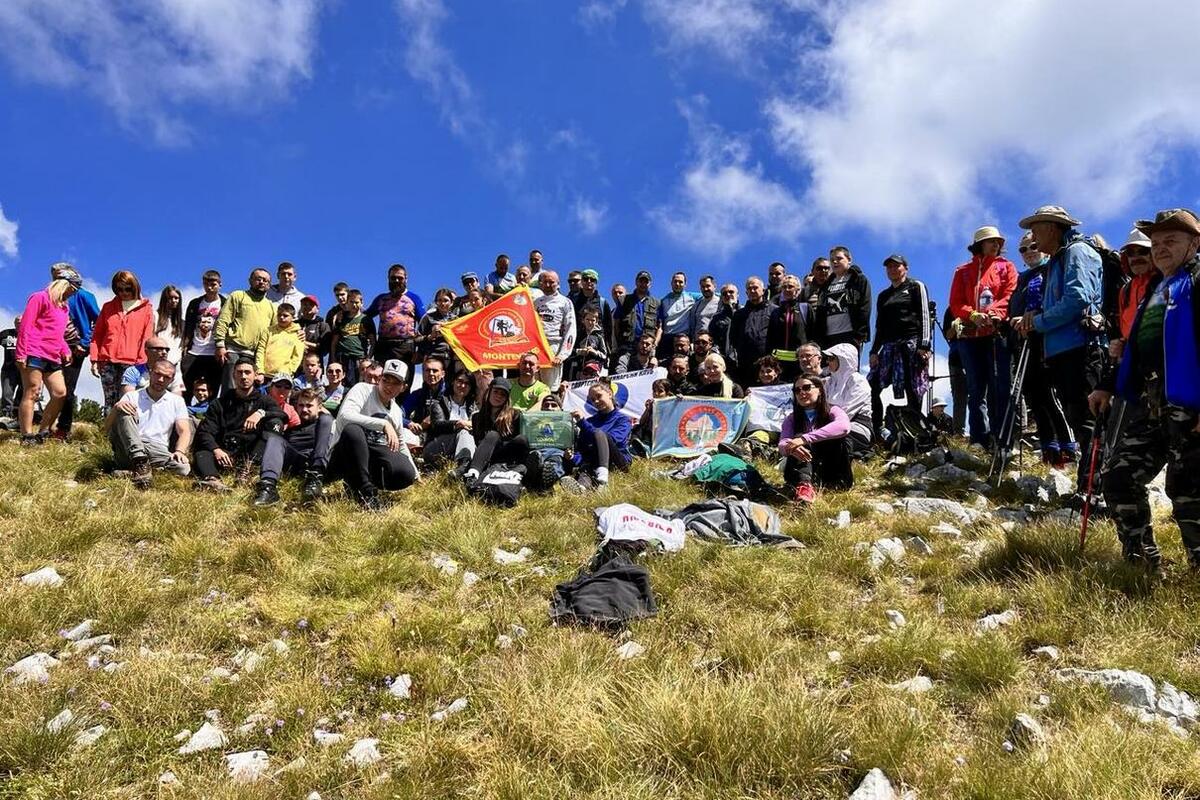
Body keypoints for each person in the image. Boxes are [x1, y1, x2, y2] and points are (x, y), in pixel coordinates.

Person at [1093, 208, 1200, 569]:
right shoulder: (1157, 288)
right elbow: (1137, 345)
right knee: (1119, 477)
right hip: (1151, 403)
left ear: (1194, 244)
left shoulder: (1197, 280)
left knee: (1189, 490)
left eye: (1171, 240)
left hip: (1191, 405)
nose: (1160, 248)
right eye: (1156, 243)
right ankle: (1141, 564)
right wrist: (1106, 385)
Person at [1015, 205, 1107, 494]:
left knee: (1088, 421)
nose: (1032, 237)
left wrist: (1039, 322)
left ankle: (1093, 491)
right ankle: (1089, 488)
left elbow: (1077, 299)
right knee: (1079, 419)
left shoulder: (1077, 252)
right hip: (1064, 350)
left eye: (1036, 229)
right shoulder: (1059, 258)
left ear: (1053, 228)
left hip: (1081, 348)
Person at [949, 226, 1018, 447]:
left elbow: (1010, 294)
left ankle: (1003, 439)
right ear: (979, 245)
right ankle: (979, 439)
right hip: (970, 337)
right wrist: (972, 314)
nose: (996, 244)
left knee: (1000, 387)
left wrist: (994, 313)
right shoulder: (962, 271)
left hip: (997, 334)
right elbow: (955, 302)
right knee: (975, 389)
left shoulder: (1006, 267)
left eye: (998, 241)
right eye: (991, 241)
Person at [1009, 232, 1074, 464]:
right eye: (1023, 249)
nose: (1029, 252)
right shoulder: (1022, 279)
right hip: (1025, 341)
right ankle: (1049, 448)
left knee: (1050, 394)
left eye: (1033, 246)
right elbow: (1015, 307)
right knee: (1035, 396)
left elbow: (1055, 301)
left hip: (1046, 339)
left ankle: (1068, 446)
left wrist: (1034, 316)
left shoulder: (1052, 269)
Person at [327, 359, 418, 509]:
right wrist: (383, 424)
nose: (388, 386)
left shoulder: (396, 411)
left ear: (403, 387)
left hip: (371, 457)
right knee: (353, 430)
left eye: (395, 383)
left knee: (406, 473)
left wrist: (416, 474)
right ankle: (366, 493)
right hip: (343, 456)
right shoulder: (362, 389)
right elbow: (344, 416)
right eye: (385, 380)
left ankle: (355, 483)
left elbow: (401, 443)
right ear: (380, 378)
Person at [193, 358, 286, 491]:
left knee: (275, 423)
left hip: (251, 453)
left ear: (255, 375)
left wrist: (261, 413)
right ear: (234, 375)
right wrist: (216, 450)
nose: (243, 376)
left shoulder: (264, 401)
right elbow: (206, 431)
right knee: (202, 451)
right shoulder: (220, 403)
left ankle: (247, 471)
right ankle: (213, 480)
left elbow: (283, 416)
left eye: (247, 372)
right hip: (224, 453)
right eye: (240, 372)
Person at [868, 254, 932, 438]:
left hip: (912, 344)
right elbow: (879, 325)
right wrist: (874, 351)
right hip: (888, 346)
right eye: (889, 267)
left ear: (905, 268)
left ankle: (915, 433)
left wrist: (924, 345)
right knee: (872, 386)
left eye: (896, 266)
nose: (892, 270)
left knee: (913, 389)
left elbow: (925, 315)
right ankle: (877, 429)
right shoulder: (883, 296)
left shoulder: (916, 286)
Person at [16, 270, 81, 444]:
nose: (73, 294)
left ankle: (43, 431)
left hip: (53, 355)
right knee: (32, 391)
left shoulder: (64, 307)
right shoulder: (39, 298)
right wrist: (21, 353)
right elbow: (26, 326)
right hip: (34, 350)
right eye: (73, 289)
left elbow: (58, 333)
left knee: (60, 393)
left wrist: (65, 349)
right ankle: (27, 435)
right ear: (64, 284)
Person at [105, 358, 192, 488]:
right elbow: (106, 429)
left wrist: (180, 451)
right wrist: (116, 408)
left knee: (183, 468)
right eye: (158, 374)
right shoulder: (132, 396)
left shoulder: (177, 401)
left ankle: (133, 472)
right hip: (130, 446)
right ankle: (140, 461)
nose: (161, 380)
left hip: (157, 449)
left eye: (166, 377)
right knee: (124, 409)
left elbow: (184, 430)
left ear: (172, 380)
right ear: (150, 373)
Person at [779, 374, 854, 504]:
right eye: (797, 390)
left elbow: (844, 427)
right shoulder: (791, 419)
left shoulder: (833, 410)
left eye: (806, 387)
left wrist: (805, 438)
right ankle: (804, 486)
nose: (802, 393)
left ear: (819, 390)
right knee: (795, 441)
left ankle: (834, 482)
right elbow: (782, 443)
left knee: (842, 440)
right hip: (801, 471)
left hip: (832, 469)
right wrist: (790, 447)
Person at [252, 387, 333, 506]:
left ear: (320, 407)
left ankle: (315, 477)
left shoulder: (325, 425)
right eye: (301, 405)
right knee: (274, 439)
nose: (304, 409)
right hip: (296, 463)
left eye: (309, 406)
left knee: (326, 419)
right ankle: (268, 487)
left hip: (319, 462)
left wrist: (327, 416)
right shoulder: (291, 431)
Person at [90, 270, 155, 410]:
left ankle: (127, 426)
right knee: (109, 402)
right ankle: (108, 425)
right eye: (120, 289)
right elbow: (97, 335)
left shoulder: (146, 309)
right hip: (107, 362)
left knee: (128, 401)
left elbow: (147, 337)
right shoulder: (108, 307)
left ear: (135, 287)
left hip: (132, 363)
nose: (124, 292)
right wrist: (94, 360)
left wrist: (142, 362)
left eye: (128, 288)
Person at [52, 262, 100, 439]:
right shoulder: (51, 296)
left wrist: (85, 343)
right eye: (54, 277)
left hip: (75, 347)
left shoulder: (84, 295)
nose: (57, 281)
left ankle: (63, 428)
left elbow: (99, 321)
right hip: (52, 346)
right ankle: (47, 423)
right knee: (53, 386)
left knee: (67, 387)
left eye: (60, 276)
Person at [562, 382, 632, 492]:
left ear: (610, 394)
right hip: (593, 462)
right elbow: (583, 449)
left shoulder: (623, 419)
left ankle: (603, 479)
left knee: (599, 434)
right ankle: (582, 488)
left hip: (618, 462)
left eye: (599, 396)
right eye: (592, 400)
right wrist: (572, 457)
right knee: (586, 466)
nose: (596, 401)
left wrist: (583, 423)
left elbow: (611, 439)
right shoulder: (590, 421)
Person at [215, 268, 276, 392]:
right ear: (250, 280)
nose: (262, 282)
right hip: (233, 351)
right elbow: (223, 320)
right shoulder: (238, 296)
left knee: (250, 392)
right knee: (230, 389)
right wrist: (220, 345)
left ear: (269, 285)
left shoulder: (271, 306)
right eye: (258, 279)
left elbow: (275, 333)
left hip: (255, 355)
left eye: (265, 280)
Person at [461, 376, 529, 485]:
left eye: (503, 394)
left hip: (510, 455)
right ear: (489, 392)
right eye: (496, 392)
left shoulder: (515, 415)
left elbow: (519, 442)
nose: (498, 396)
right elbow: (479, 443)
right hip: (488, 456)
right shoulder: (477, 417)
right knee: (492, 435)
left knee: (522, 439)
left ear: (507, 398)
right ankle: (472, 474)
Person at [365, 263, 425, 370]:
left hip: (405, 347)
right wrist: (341, 311)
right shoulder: (381, 298)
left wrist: (420, 350)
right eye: (393, 278)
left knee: (403, 378)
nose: (396, 281)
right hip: (383, 347)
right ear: (388, 279)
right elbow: (365, 316)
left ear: (406, 279)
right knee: (380, 377)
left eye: (400, 278)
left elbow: (424, 323)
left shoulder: (414, 298)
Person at [812, 246, 871, 351]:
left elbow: (865, 306)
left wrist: (860, 334)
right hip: (828, 337)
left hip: (850, 335)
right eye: (832, 260)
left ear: (849, 259)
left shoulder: (858, 279)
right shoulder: (826, 284)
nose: (835, 262)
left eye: (839, 258)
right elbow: (821, 310)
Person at [421, 369, 479, 471]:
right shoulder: (439, 403)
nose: (463, 386)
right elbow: (437, 425)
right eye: (460, 381)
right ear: (453, 382)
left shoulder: (473, 407)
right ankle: (464, 465)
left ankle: (464, 467)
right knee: (463, 431)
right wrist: (457, 424)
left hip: (461, 448)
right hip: (436, 447)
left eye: (467, 383)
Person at [182, 270, 226, 402]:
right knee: (187, 389)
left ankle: (209, 414)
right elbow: (188, 326)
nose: (209, 287)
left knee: (212, 390)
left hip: (214, 353)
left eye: (213, 284)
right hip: (194, 351)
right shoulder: (195, 303)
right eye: (206, 284)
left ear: (220, 285)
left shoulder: (225, 303)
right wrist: (185, 346)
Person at [824, 342, 873, 457]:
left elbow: (846, 412)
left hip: (855, 427)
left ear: (843, 359)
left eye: (831, 358)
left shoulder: (858, 381)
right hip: (829, 426)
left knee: (831, 445)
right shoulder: (829, 382)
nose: (827, 362)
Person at [534, 271, 576, 389]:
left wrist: (562, 355)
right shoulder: (536, 302)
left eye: (551, 282)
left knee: (551, 387)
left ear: (558, 284)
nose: (548, 285)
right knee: (533, 385)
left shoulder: (565, 302)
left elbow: (571, 329)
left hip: (553, 348)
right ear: (541, 284)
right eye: (545, 282)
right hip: (536, 347)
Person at [729, 277, 773, 387]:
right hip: (745, 365)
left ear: (763, 290)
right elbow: (733, 338)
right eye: (749, 289)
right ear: (746, 293)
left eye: (755, 288)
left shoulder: (774, 310)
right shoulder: (739, 314)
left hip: (768, 364)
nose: (752, 291)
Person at [767, 273, 809, 380]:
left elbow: (813, 334)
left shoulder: (805, 308)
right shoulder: (775, 312)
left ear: (798, 290)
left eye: (790, 286)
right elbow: (770, 338)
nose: (787, 289)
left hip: (801, 362)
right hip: (779, 364)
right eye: (784, 287)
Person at [330, 289, 375, 386]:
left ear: (361, 302)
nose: (354, 305)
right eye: (351, 302)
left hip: (359, 358)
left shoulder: (366, 320)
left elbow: (373, 342)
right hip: (342, 357)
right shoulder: (341, 319)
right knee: (342, 385)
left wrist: (368, 358)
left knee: (358, 385)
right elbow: (334, 342)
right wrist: (333, 358)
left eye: (357, 302)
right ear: (347, 303)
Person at [614, 271, 660, 358]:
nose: (643, 284)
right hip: (627, 346)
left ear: (650, 284)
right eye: (641, 281)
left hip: (647, 346)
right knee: (622, 366)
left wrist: (655, 343)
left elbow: (660, 327)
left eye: (646, 282)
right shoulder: (623, 300)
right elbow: (616, 323)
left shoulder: (657, 303)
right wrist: (619, 342)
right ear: (636, 282)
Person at [254, 302, 306, 380]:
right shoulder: (268, 331)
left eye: (285, 315)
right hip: (264, 375)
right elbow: (261, 350)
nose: (281, 317)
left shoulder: (298, 334)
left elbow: (297, 356)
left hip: (284, 376)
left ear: (293, 317)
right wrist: (260, 370)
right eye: (279, 315)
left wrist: (289, 371)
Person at [120, 337, 185, 395]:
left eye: (167, 350)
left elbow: (177, 397)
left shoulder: (173, 372)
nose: (164, 352)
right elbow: (129, 397)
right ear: (146, 351)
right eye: (159, 349)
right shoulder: (133, 371)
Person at [655, 271, 698, 360]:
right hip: (667, 339)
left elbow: (712, 294)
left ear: (685, 284)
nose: (677, 284)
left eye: (681, 282)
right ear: (671, 283)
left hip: (684, 337)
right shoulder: (663, 301)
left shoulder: (692, 297)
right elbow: (659, 324)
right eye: (675, 281)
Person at [572, 269, 612, 353]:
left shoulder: (602, 303)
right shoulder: (573, 301)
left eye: (592, 279)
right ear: (581, 281)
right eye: (586, 279)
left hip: (597, 348)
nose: (589, 281)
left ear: (596, 282)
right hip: (576, 346)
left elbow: (608, 328)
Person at [573, 306, 608, 379]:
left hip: (594, 371)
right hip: (578, 371)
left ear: (596, 322)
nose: (590, 322)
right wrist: (580, 351)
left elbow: (605, 356)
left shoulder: (599, 336)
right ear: (583, 320)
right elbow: (570, 352)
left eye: (593, 320)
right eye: (587, 319)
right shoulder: (577, 335)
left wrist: (594, 352)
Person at [154, 285, 184, 365]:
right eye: (170, 298)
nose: (173, 300)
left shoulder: (182, 323)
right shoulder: (155, 316)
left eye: (176, 298)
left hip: (175, 364)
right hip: (157, 363)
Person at [709, 284, 739, 359]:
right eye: (724, 293)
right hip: (724, 359)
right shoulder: (716, 318)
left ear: (737, 295)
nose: (728, 294)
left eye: (731, 292)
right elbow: (712, 339)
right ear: (721, 297)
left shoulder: (745, 313)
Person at [296, 295, 330, 363]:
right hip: (294, 364)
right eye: (304, 304)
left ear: (317, 309)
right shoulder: (294, 324)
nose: (307, 306)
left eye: (311, 304)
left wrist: (304, 343)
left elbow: (325, 349)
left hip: (314, 365)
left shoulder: (323, 326)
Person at [1, 315, 19, 419]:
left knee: (23, 393)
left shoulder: (30, 334)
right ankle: (6, 416)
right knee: (7, 394)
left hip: (25, 369)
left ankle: (18, 416)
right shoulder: (6, 333)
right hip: (8, 369)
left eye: (21, 321)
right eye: (17, 321)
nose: (19, 323)